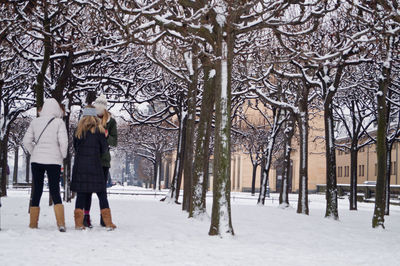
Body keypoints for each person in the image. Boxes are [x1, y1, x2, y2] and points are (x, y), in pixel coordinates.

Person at [23, 98, 68, 232]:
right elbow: (64, 143)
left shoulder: (35, 122)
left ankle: (33, 223)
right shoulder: (59, 122)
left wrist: (34, 153)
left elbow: (26, 141)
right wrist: (62, 156)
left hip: (37, 161)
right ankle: (60, 223)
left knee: (37, 189)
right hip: (53, 161)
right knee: (55, 190)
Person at [71, 106, 116, 230]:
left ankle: (79, 223)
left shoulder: (78, 131)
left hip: (80, 167)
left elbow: (75, 147)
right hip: (95, 167)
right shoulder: (99, 131)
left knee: (81, 194)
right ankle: (108, 222)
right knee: (101, 193)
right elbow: (104, 149)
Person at [83, 94, 118, 228]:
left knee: (101, 191)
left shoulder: (111, 122)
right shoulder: (88, 118)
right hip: (89, 160)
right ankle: (86, 218)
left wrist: (107, 135)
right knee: (87, 191)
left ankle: (105, 219)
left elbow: (114, 142)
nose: (99, 112)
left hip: (103, 161)